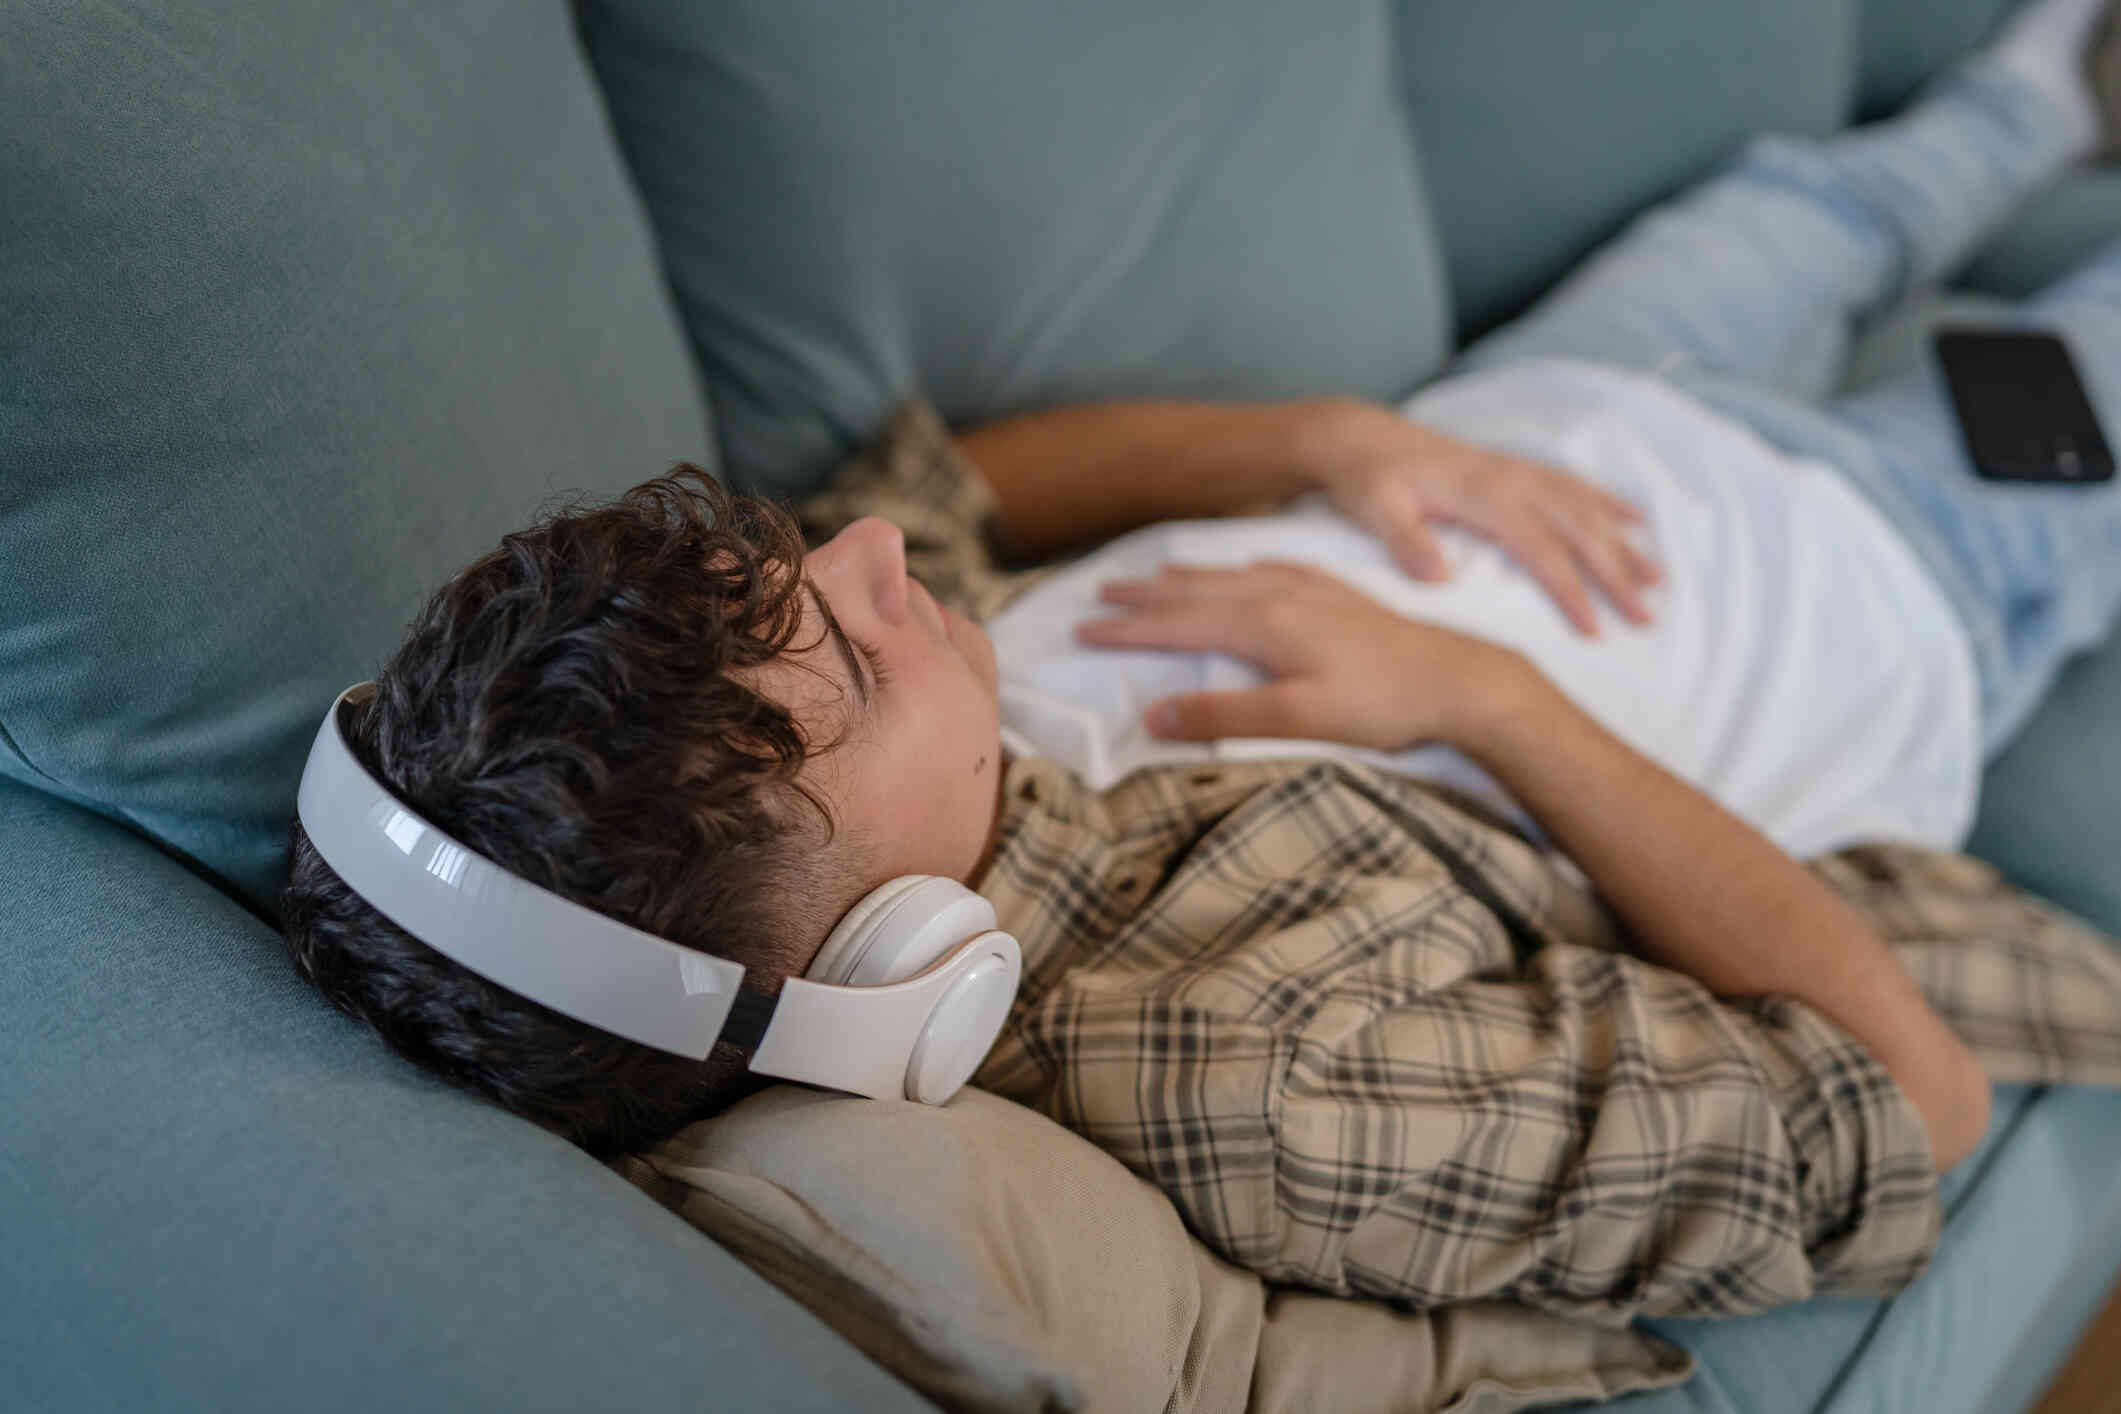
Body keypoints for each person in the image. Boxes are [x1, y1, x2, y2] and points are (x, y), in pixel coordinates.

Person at [281, 0, 2121, 1323]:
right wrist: (1474, 697)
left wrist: (1336, 443)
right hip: (1877, 576)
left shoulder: (808, 749)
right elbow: (1913, 1107)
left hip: (1545, 404)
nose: (868, 558)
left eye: (793, 568)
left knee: (1825, 204)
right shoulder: (1278, 1080)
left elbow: (963, 482)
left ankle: (2046, 91)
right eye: (857, 644)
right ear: (886, 971)